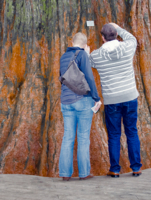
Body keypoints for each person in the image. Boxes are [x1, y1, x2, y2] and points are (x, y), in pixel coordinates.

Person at [89, 23, 142, 178]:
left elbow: (89, 62)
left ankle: (115, 169)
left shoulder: (96, 55)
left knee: (114, 135)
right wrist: (117, 27)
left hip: (112, 100)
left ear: (102, 37)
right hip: (130, 97)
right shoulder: (127, 48)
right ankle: (136, 167)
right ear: (116, 34)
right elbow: (131, 38)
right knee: (132, 131)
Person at [59, 32, 101, 181]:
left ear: (71, 42)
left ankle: (65, 173)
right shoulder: (82, 54)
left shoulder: (63, 56)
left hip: (66, 101)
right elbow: (89, 76)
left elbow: (62, 77)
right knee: (83, 137)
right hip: (82, 100)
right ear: (85, 45)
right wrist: (96, 97)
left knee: (68, 137)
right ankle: (84, 174)